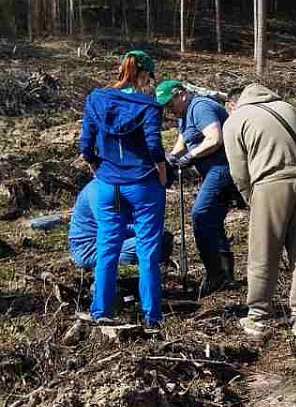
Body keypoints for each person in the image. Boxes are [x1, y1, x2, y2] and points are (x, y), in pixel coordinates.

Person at [77, 48, 167, 328]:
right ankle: (152, 317)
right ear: (142, 74)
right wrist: (162, 175)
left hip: (109, 187)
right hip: (143, 187)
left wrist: (98, 170)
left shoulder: (96, 99)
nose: (149, 83)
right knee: (148, 251)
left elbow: (85, 146)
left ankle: (101, 311)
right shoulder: (148, 106)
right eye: (149, 77)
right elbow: (153, 146)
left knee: (108, 247)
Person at [222, 83, 296, 339]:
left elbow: (238, 171)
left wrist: (249, 198)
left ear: (233, 103)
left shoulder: (236, 119)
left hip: (270, 186)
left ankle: (257, 317)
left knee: (263, 253)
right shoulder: (286, 108)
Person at [154, 80, 238, 298]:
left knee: (201, 215)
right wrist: (170, 160)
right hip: (214, 171)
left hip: (223, 168)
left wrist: (190, 157)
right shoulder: (185, 115)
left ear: (181, 94)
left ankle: (216, 275)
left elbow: (215, 139)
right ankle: (224, 275)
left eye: (169, 103)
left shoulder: (200, 107)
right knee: (211, 219)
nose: (168, 110)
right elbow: (182, 145)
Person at [68, 180, 174, 270]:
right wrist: (145, 230)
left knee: (163, 239)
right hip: (90, 248)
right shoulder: (98, 190)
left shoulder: (117, 187)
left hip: (114, 239)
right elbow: (111, 226)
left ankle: (152, 273)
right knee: (151, 243)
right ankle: (119, 276)